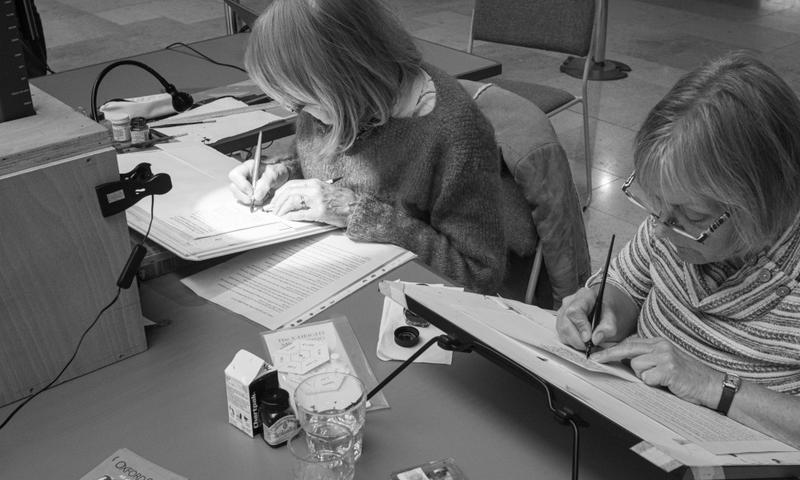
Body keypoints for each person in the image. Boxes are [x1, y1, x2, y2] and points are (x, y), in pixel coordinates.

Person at [556, 52, 800, 448]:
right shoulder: (672, 219)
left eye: (691, 216)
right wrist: (603, 310)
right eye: (656, 205)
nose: (661, 230)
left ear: (761, 205)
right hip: (622, 430)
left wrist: (711, 384)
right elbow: (626, 284)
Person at [228, 0, 536, 294]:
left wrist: (358, 213)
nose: (299, 114)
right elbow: (333, 165)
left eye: (300, 101)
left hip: (407, 305)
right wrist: (281, 169)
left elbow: (478, 275)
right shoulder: (341, 104)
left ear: (349, 78)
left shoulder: (454, 134)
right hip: (334, 275)